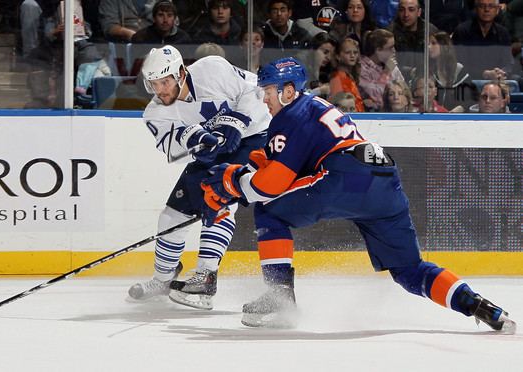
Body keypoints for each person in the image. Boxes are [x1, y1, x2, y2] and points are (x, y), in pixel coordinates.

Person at [199, 57, 517, 333]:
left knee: (269, 209)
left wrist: (233, 184)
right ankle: (478, 306)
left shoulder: (290, 116)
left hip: (344, 178)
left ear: (288, 91)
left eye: (267, 92)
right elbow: (276, 164)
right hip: (383, 182)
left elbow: (270, 187)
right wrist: (244, 176)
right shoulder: (312, 109)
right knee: (409, 270)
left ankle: (279, 300)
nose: (264, 99)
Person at [127, 45, 270, 310]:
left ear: (181, 72)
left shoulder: (212, 68)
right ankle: (163, 278)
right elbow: (173, 148)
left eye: (165, 81)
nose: (160, 90)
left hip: (256, 136)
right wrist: (197, 139)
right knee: (172, 214)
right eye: (153, 84)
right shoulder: (155, 112)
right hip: (216, 149)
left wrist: (236, 122)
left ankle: (205, 277)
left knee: (220, 198)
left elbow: (254, 89)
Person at [452, 0, 513, 80]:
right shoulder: (462, 31)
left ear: (497, 10)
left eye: (491, 6)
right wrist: (484, 74)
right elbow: (458, 65)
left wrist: (502, 72)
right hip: (468, 81)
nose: (487, 10)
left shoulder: (503, 33)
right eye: (482, 6)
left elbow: (508, 62)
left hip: (497, 80)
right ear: (476, 9)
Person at [387, 0, 438, 80]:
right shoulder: (389, 33)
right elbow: (387, 64)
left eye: (411, 9)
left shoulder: (431, 31)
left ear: (419, 12)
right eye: (401, 10)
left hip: (426, 80)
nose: (406, 14)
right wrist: (409, 72)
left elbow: (439, 60)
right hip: (399, 81)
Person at [359, 29, 404, 111]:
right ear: (378, 50)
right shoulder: (362, 69)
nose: (394, 51)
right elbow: (376, 96)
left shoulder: (391, 65)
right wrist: (386, 73)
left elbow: (404, 91)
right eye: (390, 48)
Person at [428, 31, 472, 110]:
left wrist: (460, 108)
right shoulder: (428, 71)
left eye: (433, 43)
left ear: (444, 46)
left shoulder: (459, 71)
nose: (429, 47)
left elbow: (469, 100)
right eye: (428, 44)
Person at [329, 36, 365, 111]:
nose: (352, 56)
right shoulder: (337, 78)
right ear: (338, 56)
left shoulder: (350, 77)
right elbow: (337, 106)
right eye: (348, 52)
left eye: (355, 52)